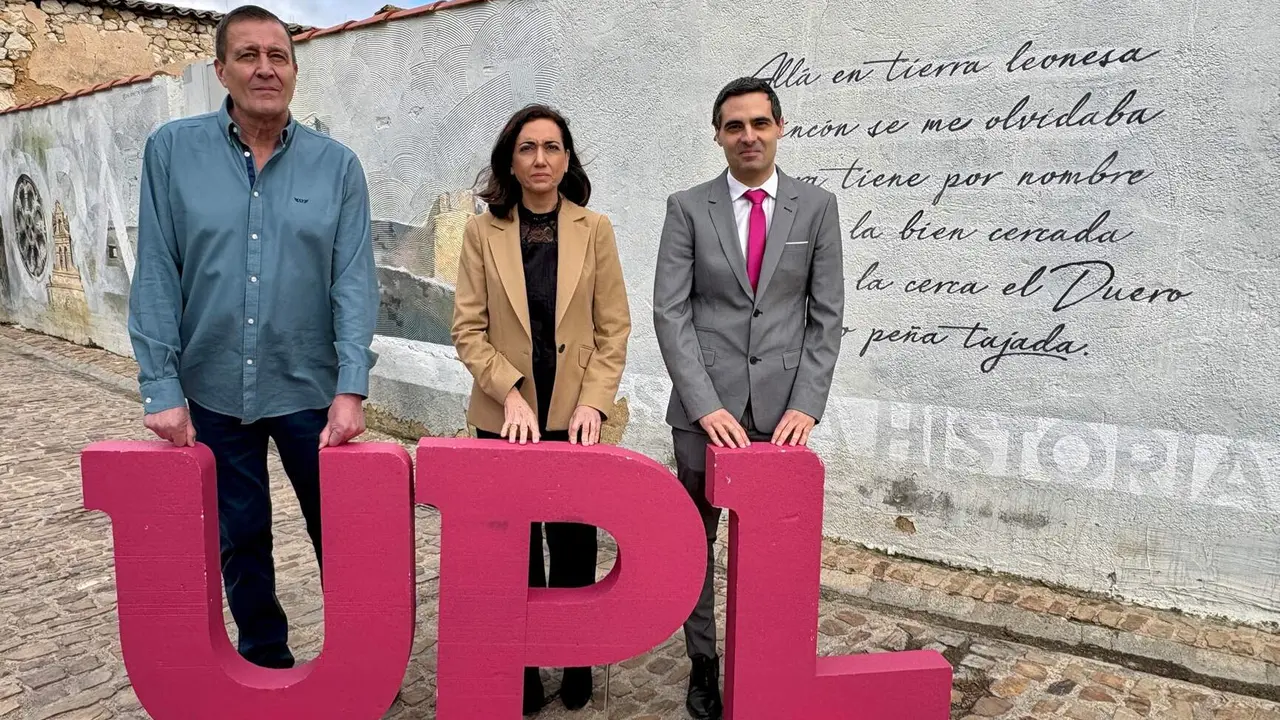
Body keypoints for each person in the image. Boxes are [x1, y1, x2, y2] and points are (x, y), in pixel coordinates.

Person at [126, 4, 379, 669]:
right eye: (248, 55)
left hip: (313, 393)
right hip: (211, 389)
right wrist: (160, 384)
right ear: (221, 70)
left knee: (344, 537)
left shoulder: (338, 167)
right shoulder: (173, 153)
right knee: (240, 537)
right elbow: (156, 267)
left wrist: (352, 388)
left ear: (294, 70)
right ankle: (264, 659)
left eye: (278, 55)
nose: (265, 68)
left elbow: (353, 283)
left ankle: (358, 665)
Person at [652, 77, 845, 720]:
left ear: (779, 127)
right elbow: (670, 312)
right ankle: (703, 663)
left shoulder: (816, 208)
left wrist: (808, 404)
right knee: (694, 545)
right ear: (718, 135)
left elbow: (827, 315)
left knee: (773, 553)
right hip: (705, 416)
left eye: (760, 123)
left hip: (783, 416)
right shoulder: (687, 207)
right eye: (735, 126)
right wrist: (704, 405)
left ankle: (767, 663)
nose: (748, 136)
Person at [451, 103, 631, 714]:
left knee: (574, 548)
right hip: (503, 419)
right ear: (511, 158)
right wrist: (507, 392)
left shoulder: (595, 228)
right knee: (513, 550)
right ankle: (521, 668)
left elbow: (614, 330)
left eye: (552, 148)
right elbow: (467, 331)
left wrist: (595, 403)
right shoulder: (482, 232)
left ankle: (575, 656)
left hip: (573, 419)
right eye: (527, 148)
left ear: (566, 158)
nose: (540, 159)